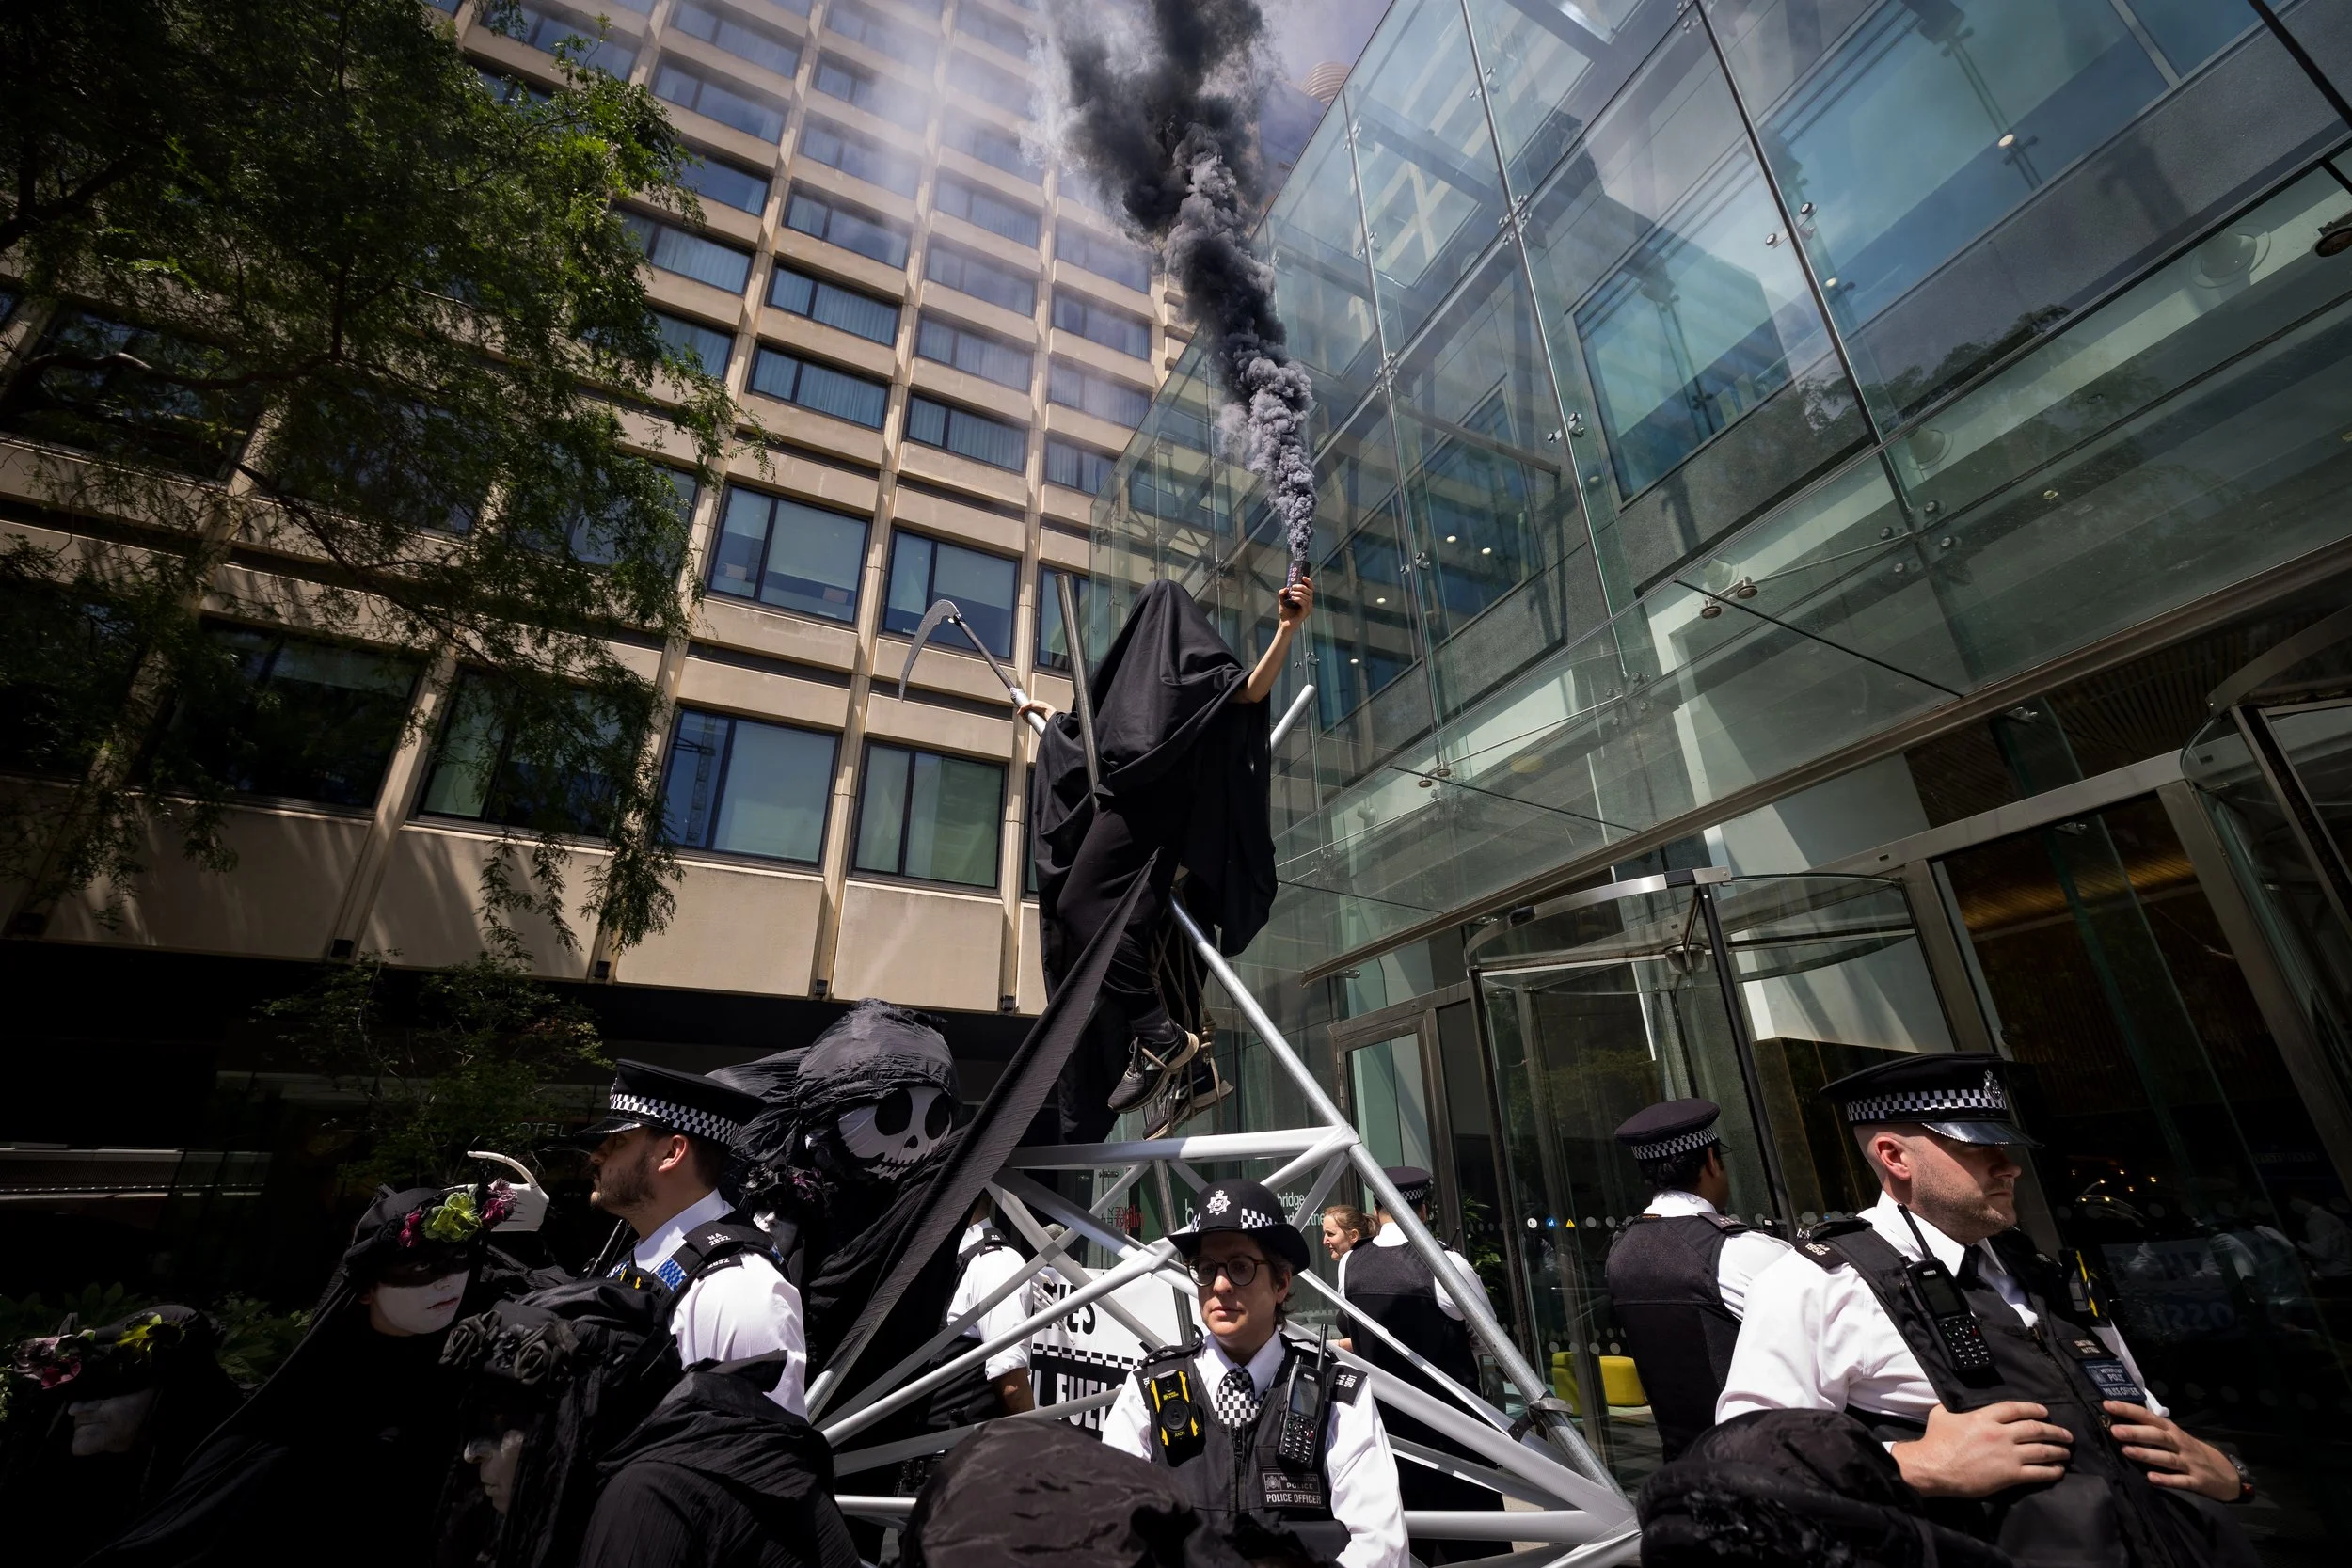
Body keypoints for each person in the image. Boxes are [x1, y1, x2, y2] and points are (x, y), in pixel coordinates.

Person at [1713, 1053, 2258, 1568]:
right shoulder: (1818, 1282)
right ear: (1894, 1156)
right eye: (1979, 1148)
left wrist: (2227, 1471)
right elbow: (1750, 1460)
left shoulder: (2039, 1267)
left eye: (2006, 1145)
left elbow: (2139, 1408)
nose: (2009, 1167)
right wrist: (1914, 1466)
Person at [89, 1181, 531, 1568]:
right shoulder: (301, 1413)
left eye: (461, 1261)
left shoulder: (469, 1376)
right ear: (364, 1290)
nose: (447, 1282)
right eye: (422, 1267)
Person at [1025, 577, 1311, 1139]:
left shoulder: (1197, 679)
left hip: (1151, 822)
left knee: (1083, 909)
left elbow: (1250, 692)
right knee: (1130, 935)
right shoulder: (1137, 693)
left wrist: (1286, 629)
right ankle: (1181, 1056)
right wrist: (1055, 721)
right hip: (1135, 819)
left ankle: (1160, 1037)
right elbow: (1096, 734)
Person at [1101, 1178, 1406, 1568]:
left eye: (1241, 1267)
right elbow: (1111, 1533)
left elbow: (1381, 1547)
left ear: (1281, 1282)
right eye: (1205, 1268)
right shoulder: (1147, 1391)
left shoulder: (1336, 1393)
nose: (1221, 1284)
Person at [579, 1059, 805, 1416]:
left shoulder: (738, 1289)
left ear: (671, 1153)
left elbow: (752, 1458)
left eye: (618, 1141)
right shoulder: (642, 1256)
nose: (596, 1156)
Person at [1603, 1099, 1788, 1460]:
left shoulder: (1620, 1253)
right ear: (1709, 1160)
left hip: (1683, 1471)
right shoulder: (1741, 1250)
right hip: (1764, 1469)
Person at [1335, 1165, 1498, 1563]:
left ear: (1377, 1207)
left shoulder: (1350, 1264)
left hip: (1387, 1435)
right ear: (1424, 1209)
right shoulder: (1447, 1265)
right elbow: (1488, 1338)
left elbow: (1354, 1332)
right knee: (1473, 1548)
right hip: (1454, 1434)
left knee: (1403, 1542)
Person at [0, 1306, 243, 1563]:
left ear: (173, 1396)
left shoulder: (233, 1488)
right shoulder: (69, 1496)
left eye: (106, 1392)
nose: (75, 1409)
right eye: (74, 1395)